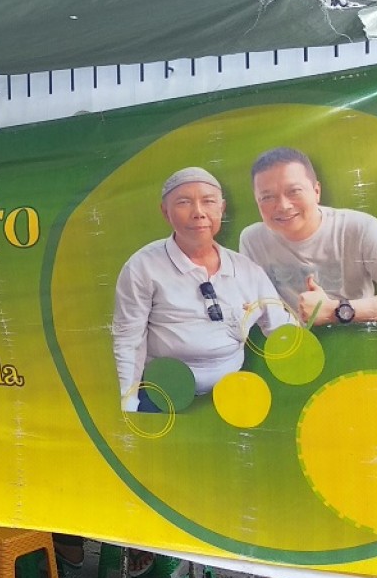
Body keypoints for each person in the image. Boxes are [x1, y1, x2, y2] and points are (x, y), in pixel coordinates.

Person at [113, 167, 292, 413]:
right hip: (162, 394)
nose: (198, 213)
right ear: (165, 212)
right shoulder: (142, 267)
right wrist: (129, 402)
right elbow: (129, 339)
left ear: (222, 208)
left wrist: (308, 319)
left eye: (208, 202)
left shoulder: (247, 270)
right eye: (184, 202)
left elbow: (282, 330)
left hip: (232, 395)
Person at [238, 147, 377, 326]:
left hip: (359, 344)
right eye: (267, 197)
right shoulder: (252, 240)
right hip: (292, 350)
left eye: (294, 191)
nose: (283, 205)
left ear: (316, 191)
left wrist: (337, 310)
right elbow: (251, 304)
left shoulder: (358, 227)